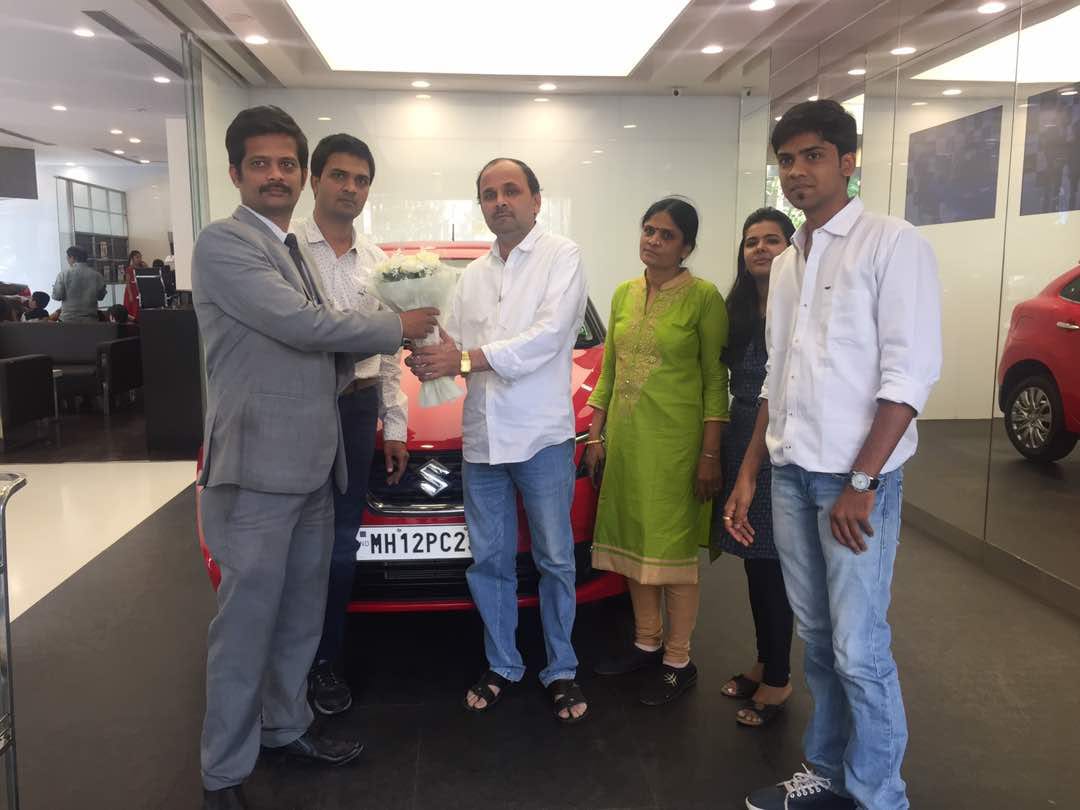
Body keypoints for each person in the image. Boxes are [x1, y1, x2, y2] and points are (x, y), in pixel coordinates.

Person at [193, 105, 438, 810]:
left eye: (286, 164)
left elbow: (327, 353)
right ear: (235, 172)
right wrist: (396, 325)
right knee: (246, 625)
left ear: (300, 175)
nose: (276, 175)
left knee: (301, 613)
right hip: (258, 467)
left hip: (315, 460)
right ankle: (223, 773)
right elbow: (303, 325)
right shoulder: (225, 243)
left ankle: (286, 726)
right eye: (261, 164)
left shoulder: (295, 252)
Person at [723, 100, 942, 810]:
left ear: (848, 162)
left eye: (812, 155)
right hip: (790, 475)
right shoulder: (789, 262)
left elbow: (909, 379)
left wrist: (862, 481)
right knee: (818, 640)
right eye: (787, 160)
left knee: (858, 648)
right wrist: (749, 472)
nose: (797, 171)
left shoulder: (892, 244)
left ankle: (881, 796)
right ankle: (827, 771)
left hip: (855, 484)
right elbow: (776, 378)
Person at [408, 158, 590, 724]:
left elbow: (547, 337)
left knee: (555, 559)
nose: (500, 201)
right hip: (482, 439)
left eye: (512, 191)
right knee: (488, 561)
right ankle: (503, 663)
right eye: (489, 194)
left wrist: (462, 360)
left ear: (536, 200)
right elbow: (454, 342)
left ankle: (561, 667)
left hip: (542, 437)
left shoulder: (562, 255)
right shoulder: (472, 277)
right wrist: (422, 342)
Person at [583, 197, 729, 706]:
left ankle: (678, 660)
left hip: (677, 447)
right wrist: (596, 435)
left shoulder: (704, 298)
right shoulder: (623, 293)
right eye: (649, 230)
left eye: (667, 235)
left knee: (672, 554)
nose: (654, 240)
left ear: (687, 247)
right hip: (626, 445)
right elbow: (609, 371)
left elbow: (715, 381)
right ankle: (646, 643)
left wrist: (710, 455)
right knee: (634, 546)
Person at [296, 133, 410, 716]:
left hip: (359, 409)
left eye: (361, 180)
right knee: (297, 541)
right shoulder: (288, 251)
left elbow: (388, 356)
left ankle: (324, 662)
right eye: (339, 176)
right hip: (302, 408)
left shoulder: (377, 263)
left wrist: (395, 425)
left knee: (341, 542)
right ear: (315, 180)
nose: (351, 188)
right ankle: (286, 663)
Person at [711, 208, 797, 728]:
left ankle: (780, 678)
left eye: (772, 240)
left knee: (774, 566)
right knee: (753, 559)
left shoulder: (800, 305)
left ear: (791, 247)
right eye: (751, 242)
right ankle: (765, 662)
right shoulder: (737, 308)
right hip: (741, 432)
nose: (760, 249)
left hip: (780, 442)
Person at [52, 246, 106, 322]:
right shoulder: (97, 275)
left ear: (72, 258)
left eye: (67, 258)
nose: (67, 260)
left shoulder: (63, 274)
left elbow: (57, 296)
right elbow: (101, 297)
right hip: (91, 320)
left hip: (67, 320)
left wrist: (55, 288)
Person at [124, 250, 144, 322]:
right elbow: (127, 283)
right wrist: (130, 295)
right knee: (131, 308)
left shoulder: (142, 268)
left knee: (139, 308)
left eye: (140, 257)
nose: (139, 259)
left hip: (139, 290)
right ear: (132, 258)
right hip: (131, 291)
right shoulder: (129, 269)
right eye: (137, 257)